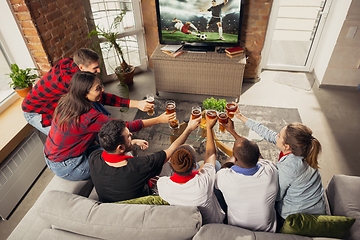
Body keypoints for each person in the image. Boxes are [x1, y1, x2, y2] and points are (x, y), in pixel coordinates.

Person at [44, 71, 174, 182]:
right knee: (121, 163)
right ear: (84, 93)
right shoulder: (88, 117)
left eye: (100, 86)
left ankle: (131, 143)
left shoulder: (69, 99)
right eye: (97, 89)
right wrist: (158, 119)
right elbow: (124, 126)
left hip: (55, 154)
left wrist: (137, 104)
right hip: (68, 165)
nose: (102, 90)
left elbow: (108, 98)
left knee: (116, 148)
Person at [22, 48, 152, 135]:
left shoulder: (73, 64)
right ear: (81, 67)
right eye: (95, 68)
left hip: (56, 99)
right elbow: (103, 98)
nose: (99, 71)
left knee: (99, 116)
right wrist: (137, 104)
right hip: (38, 112)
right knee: (70, 135)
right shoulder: (70, 83)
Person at [234, 107, 325, 228]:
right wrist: (240, 117)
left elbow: (275, 195)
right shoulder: (303, 149)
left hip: (296, 216)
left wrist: (260, 162)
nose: (276, 135)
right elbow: (268, 133)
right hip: (317, 206)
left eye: (279, 136)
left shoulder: (291, 167)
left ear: (287, 146)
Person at [89, 116, 201, 203]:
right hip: (146, 196)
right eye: (129, 136)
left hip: (114, 201)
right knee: (176, 158)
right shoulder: (140, 166)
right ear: (120, 147)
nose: (131, 134)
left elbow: (113, 152)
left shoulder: (94, 158)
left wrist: (131, 142)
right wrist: (189, 128)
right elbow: (171, 150)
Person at [157, 116, 225, 225]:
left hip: (186, 221)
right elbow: (211, 154)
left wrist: (188, 128)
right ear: (194, 166)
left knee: (207, 168)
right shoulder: (203, 182)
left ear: (171, 164)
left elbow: (170, 153)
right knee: (216, 164)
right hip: (213, 223)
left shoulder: (162, 185)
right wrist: (209, 127)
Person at [215, 118, 278, 232]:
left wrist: (234, 156)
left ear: (235, 158)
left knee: (215, 166)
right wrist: (233, 132)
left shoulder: (224, 177)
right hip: (268, 231)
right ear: (258, 155)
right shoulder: (270, 170)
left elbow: (224, 168)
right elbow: (257, 156)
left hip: (237, 229)